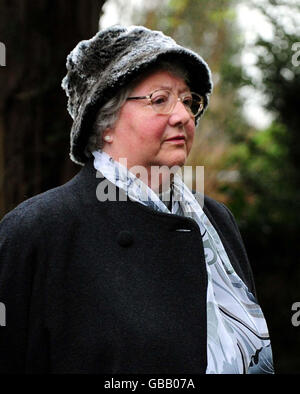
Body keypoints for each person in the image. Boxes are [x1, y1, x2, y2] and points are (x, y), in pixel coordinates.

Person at [0, 25, 274, 374]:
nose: (184, 116)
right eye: (160, 100)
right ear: (105, 122)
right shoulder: (39, 230)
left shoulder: (217, 220)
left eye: (188, 101)